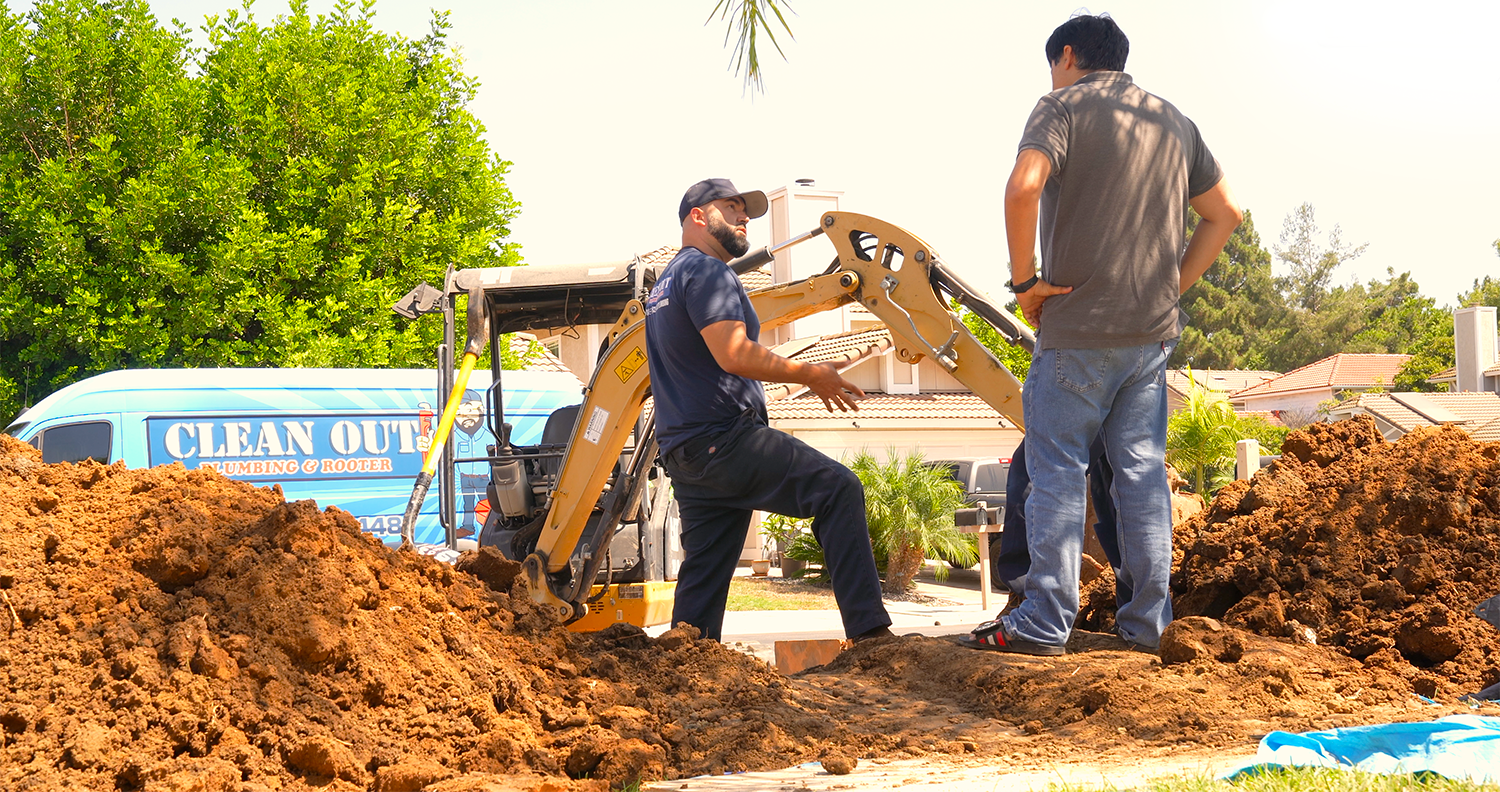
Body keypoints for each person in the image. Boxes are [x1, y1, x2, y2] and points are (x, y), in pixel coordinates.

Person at [965, 14, 1242, 656]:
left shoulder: (1059, 107)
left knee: (1057, 471)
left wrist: (1024, 282)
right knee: (1141, 476)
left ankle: (1042, 624)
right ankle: (1149, 627)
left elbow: (1022, 188)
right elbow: (1225, 212)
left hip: (1076, 332)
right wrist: (1171, 285)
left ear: (1067, 55)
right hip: (1149, 338)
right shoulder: (1172, 121)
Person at [644, 178, 894, 643]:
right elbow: (734, 353)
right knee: (838, 489)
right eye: (731, 208)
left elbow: (705, 366)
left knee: (704, 578)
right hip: (724, 440)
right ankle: (871, 637)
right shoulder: (708, 272)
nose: (743, 218)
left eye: (746, 211)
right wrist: (810, 374)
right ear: (698, 216)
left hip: (687, 454)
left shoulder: (665, 285)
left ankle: (682, 668)